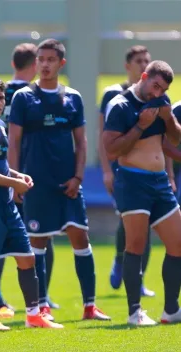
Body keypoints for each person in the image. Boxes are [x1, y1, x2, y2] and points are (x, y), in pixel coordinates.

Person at [8, 39, 110, 324]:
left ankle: (90, 306)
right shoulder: (23, 97)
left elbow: (81, 141)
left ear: (61, 63)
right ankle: (41, 307)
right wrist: (15, 180)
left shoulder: (73, 98)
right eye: (41, 59)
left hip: (68, 184)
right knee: (37, 243)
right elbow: (13, 143)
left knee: (81, 237)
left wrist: (78, 177)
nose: (44, 64)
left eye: (51, 59)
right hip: (35, 184)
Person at [0, 76, 62, 330]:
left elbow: (2, 166)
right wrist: (13, 184)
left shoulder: (0, 126)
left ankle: (33, 316)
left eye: (1, 97)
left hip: (6, 207)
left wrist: (18, 175)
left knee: (27, 258)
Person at [103, 60, 181, 326]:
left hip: (160, 182)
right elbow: (112, 150)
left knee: (178, 243)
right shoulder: (120, 105)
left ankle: (171, 310)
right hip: (133, 182)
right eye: (155, 86)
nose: (158, 93)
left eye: (163, 89)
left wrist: (168, 117)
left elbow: (174, 139)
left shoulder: (161, 101)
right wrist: (140, 125)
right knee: (135, 245)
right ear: (144, 76)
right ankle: (134, 312)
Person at [0, 42, 59, 311]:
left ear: (13, 64)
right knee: (43, 233)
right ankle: (42, 295)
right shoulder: (31, 96)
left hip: (0, 171)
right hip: (33, 171)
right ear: (35, 65)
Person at [98, 45, 155, 296]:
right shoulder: (113, 94)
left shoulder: (154, 96)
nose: (144, 65)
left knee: (148, 222)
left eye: (147, 60)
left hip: (149, 172)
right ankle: (120, 260)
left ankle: (139, 280)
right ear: (128, 66)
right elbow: (103, 137)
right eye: (139, 61)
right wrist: (106, 171)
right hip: (121, 169)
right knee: (129, 219)